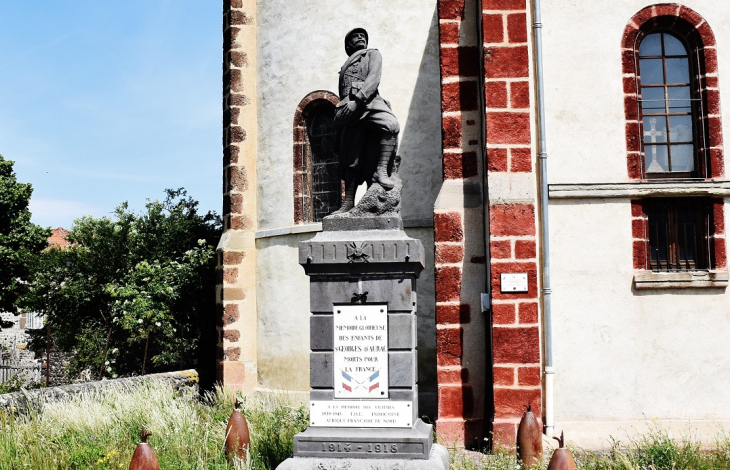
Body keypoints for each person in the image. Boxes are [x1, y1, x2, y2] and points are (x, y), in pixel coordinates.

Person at [332, 28, 400, 214]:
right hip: (348, 107)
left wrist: (358, 100)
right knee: (351, 156)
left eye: (363, 35)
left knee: (391, 125)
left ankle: (381, 171)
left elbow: (373, 79)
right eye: (356, 36)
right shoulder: (345, 66)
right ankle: (348, 202)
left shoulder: (372, 54)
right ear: (348, 45)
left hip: (368, 102)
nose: (360, 37)